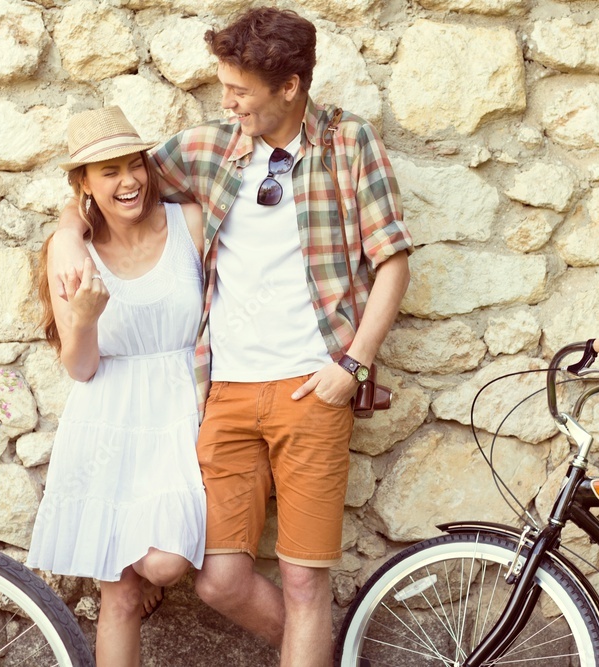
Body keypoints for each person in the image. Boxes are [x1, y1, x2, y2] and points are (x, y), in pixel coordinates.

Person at [52, 8, 412, 665]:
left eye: (240, 90)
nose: (228, 102)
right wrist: (68, 235)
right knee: (220, 579)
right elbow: (107, 181)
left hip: (313, 388)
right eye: (225, 86)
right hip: (227, 395)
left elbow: (392, 261)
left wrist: (353, 365)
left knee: (305, 581)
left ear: (290, 86)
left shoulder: (349, 144)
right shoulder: (211, 148)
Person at [28, 106, 207, 667]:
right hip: (109, 416)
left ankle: (138, 561)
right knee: (121, 595)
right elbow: (80, 368)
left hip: (182, 406)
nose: (128, 181)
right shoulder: (69, 253)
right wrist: (81, 319)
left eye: (135, 165)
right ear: (83, 184)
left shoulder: (190, 222)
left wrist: (68, 222)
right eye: (108, 172)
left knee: (161, 563)